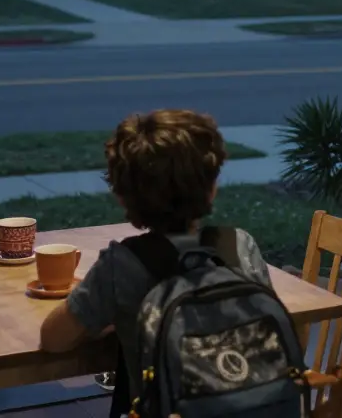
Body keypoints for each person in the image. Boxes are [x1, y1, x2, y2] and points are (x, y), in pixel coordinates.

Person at [39, 109, 272, 417]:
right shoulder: (240, 245)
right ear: (212, 186)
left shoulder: (122, 265)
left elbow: (53, 339)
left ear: (123, 196)